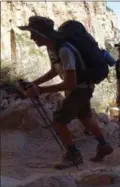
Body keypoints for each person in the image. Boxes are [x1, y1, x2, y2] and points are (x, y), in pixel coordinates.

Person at [17, 16, 113, 169]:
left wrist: (40, 90)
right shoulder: (53, 47)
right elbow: (55, 71)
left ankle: (73, 155)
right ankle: (104, 145)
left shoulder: (64, 50)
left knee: (58, 121)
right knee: (85, 117)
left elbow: (70, 82)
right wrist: (33, 83)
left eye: (33, 33)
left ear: (42, 34)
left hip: (79, 89)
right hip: (83, 88)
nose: (31, 37)